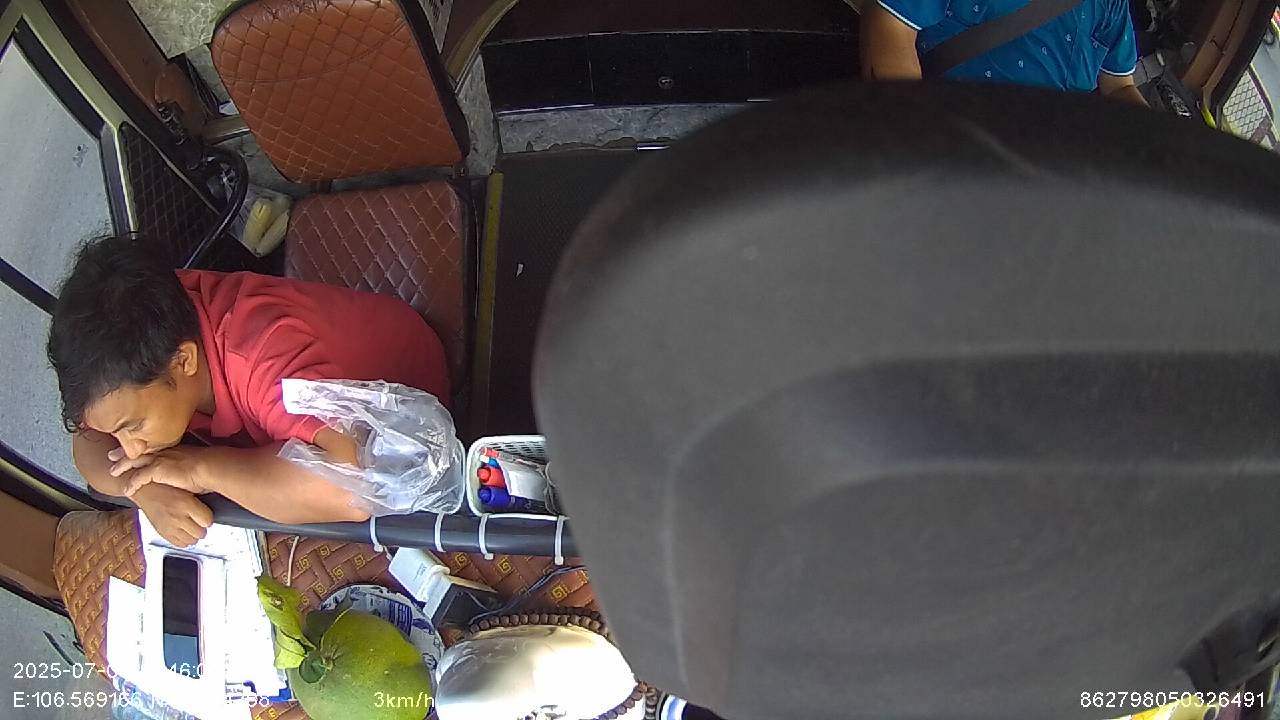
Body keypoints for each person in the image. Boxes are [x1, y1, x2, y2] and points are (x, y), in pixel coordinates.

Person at [47, 235, 452, 547]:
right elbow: (88, 442)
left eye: (133, 427)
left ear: (184, 361)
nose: (131, 451)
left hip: (417, 414)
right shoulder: (142, 327)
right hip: (305, 431)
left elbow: (349, 490)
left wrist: (198, 468)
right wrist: (144, 489)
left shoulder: (262, 357)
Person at [861, 0, 1148, 105]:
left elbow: (1119, 86)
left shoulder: (1111, 5)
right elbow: (891, 27)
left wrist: (1160, 146)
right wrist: (918, 131)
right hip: (953, 140)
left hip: (1055, 167)